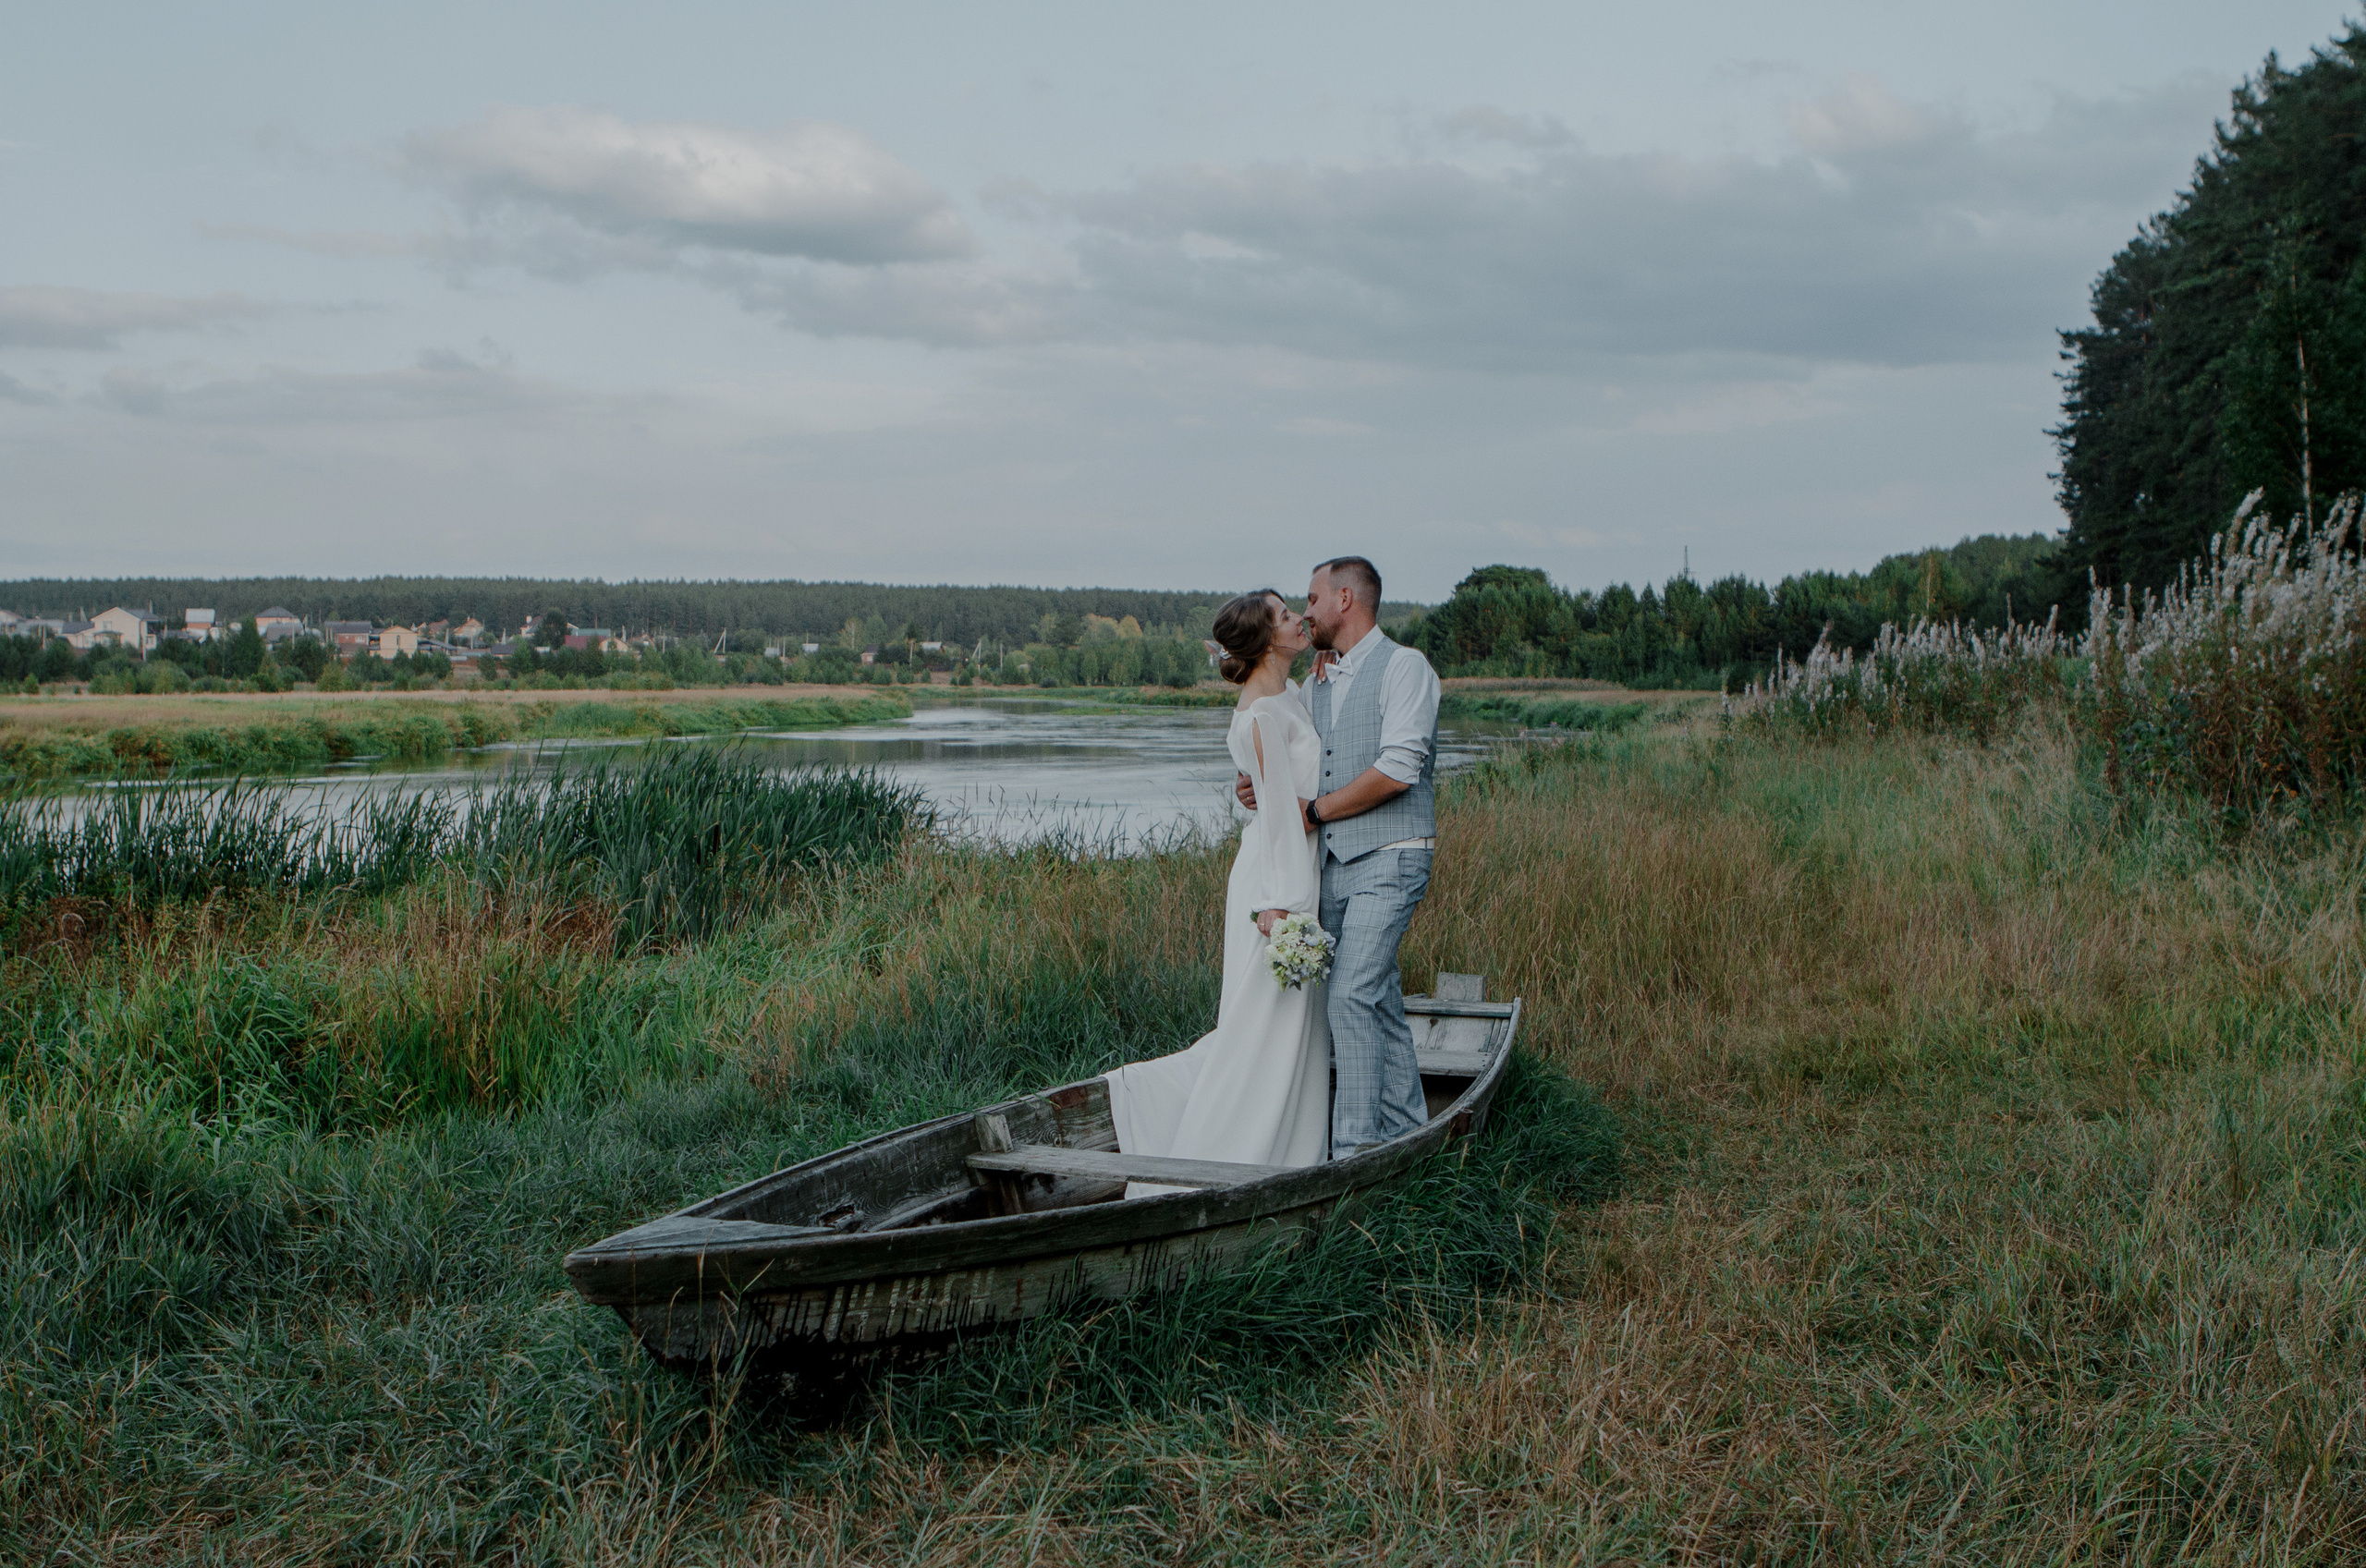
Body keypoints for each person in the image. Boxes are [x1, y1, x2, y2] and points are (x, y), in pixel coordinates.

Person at [1103, 590, 1333, 1195]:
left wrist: (1319, 679)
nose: (1299, 619)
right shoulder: (1259, 715)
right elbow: (1281, 814)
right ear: (1263, 640)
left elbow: (1286, 770)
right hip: (1273, 883)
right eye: (1286, 616)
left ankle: (1294, 1154)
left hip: (1282, 869)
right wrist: (1282, 905)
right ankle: (1219, 1154)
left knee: (1283, 1027)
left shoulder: (1285, 696)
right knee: (1264, 1026)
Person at [1236, 555, 1440, 1157]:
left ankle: (1351, 1152)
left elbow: (1399, 770)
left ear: (1346, 599)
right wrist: (1252, 785)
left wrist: (1316, 810)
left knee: (1350, 994)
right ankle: (1408, 1132)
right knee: (1375, 997)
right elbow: (1280, 749)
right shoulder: (1314, 682)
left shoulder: (1407, 669)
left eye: (1313, 599)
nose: (1306, 612)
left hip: (1393, 856)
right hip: (1332, 865)